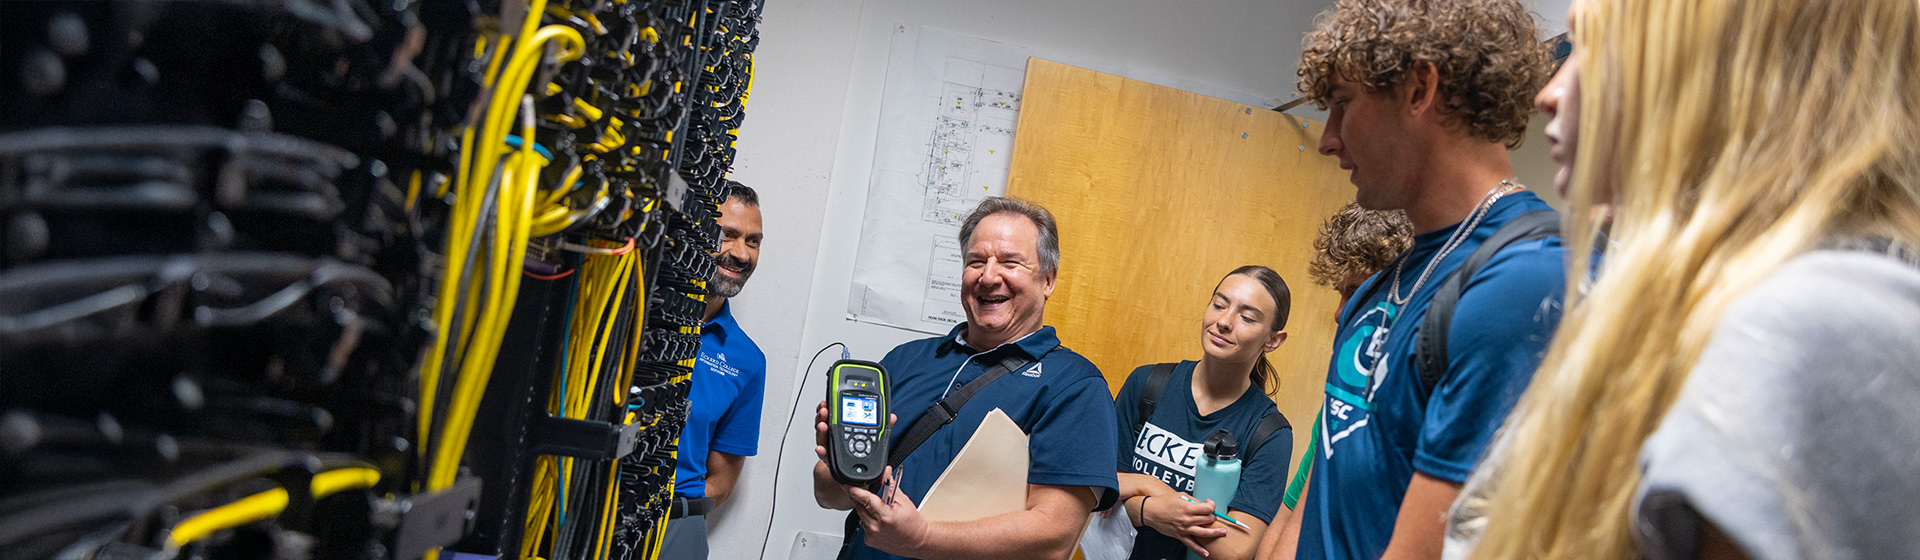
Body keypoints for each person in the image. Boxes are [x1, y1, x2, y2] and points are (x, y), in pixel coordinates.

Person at [1452, 0, 1920, 558]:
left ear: (1721, 72)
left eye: (1591, 49)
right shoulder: (1655, 306)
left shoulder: (1812, 321)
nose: (1548, 93)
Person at [1260, 0, 1564, 558]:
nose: (1327, 139)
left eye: (1343, 105)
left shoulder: (1525, 277)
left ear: (1420, 89)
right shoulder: (1381, 284)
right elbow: (1331, 482)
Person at [812, 196, 1119, 560]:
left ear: (1048, 280)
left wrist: (922, 537)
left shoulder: (1075, 385)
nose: (988, 276)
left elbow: (1055, 538)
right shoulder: (905, 360)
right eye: (976, 261)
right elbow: (828, 496)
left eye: (1010, 262)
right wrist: (840, 464)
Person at [1112, 266, 1297, 560]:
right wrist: (1154, 498)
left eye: (1247, 318)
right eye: (1219, 305)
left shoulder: (1270, 433)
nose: (1224, 321)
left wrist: (1140, 505)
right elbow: (1099, 488)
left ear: (1273, 340)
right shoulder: (1146, 384)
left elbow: (1235, 548)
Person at [1276, 204, 1413, 519]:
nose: (1339, 312)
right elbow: (1294, 508)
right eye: (1340, 292)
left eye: (1355, 292)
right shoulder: (1345, 393)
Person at [659, 182, 767, 560]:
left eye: (753, 241)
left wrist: (673, 510)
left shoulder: (747, 361)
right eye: (727, 235)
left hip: (675, 528)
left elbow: (721, 479)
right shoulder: (633, 308)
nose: (740, 253)